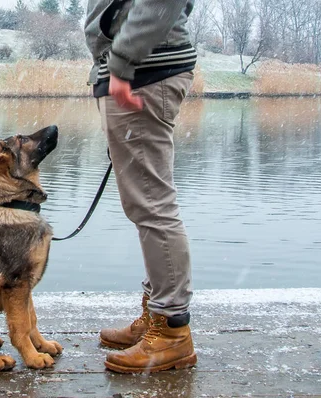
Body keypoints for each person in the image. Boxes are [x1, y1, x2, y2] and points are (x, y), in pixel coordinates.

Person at [84, 0, 198, 373]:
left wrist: (121, 61)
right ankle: (156, 318)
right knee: (145, 203)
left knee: (151, 204)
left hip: (145, 73)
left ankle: (171, 332)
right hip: (140, 70)